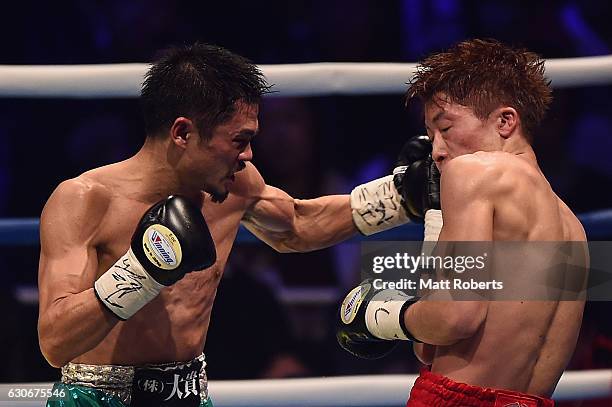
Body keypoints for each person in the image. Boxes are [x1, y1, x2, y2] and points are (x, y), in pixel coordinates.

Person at [37, 43, 438, 407]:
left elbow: (297, 225)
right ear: (182, 133)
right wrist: (141, 271)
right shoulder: (85, 199)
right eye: (238, 140)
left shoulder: (233, 182)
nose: (248, 155)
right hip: (97, 398)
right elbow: (55, 343)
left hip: (190, 393)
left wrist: (399, 198)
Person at [337, 39, 588, 407]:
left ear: (505, 121)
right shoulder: (573, 227)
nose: (436, 149)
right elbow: (431, 343)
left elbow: (454, 317)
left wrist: (380, 315)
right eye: (431, 134)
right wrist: (436, 215)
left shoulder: (473, 172)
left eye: (446, 127)